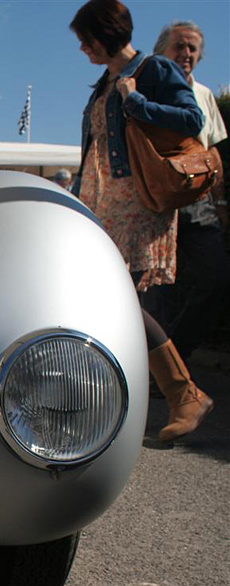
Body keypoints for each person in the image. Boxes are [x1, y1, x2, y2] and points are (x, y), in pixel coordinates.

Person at [69, 0, 210, 441]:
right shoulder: (103, 82)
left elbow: (193, 119)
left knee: (123, 300)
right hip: (103, 203)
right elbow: (92, 152)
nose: (82, 49)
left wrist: (138, 103)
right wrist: (76, 200)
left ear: (102, 34)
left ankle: (184, 394)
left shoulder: (153, 70)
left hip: (138, 201)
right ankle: (112, 399)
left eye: (85, 40)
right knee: (107, 300)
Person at [146, 20, 230, 362]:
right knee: (155, 291)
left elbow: (215, 154)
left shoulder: (206, 95)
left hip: (198, 203)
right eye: (179, 46)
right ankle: (154, 373)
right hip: (157, 202)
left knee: (218, 279)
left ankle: (174, 359)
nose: (186, 53)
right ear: (161, 51)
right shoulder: (143, 87)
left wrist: (220, 204)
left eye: (192, 48)